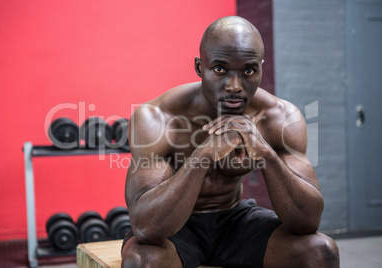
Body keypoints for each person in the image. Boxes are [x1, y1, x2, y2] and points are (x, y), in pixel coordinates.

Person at [121, 16, 339, 268]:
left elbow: (308, 222)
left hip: (235, 223)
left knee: (321, 251)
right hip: (176, 229)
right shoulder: (157, 119)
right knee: (141, 261)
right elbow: (147, 228)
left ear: (260, 68)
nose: (235, 86)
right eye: (220, 69)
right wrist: (203, 155)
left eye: (248, 70)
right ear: (199, 67)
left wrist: (266, 154)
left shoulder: (278, 119)